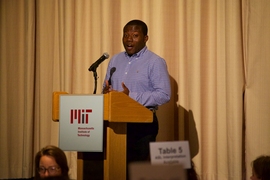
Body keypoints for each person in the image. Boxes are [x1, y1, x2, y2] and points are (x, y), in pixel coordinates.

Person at [102, 19, 171, 165]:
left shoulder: (155, 61)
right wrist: (106, 92)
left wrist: (130, 97)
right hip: (115, 124)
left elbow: (164, 94)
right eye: (126, 35)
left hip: (142, 126)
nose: (129, 39)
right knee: (116, 169)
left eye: (134, 35)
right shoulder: (115, 60)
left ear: (145, 38)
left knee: (135, 171)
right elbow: (106, 87)